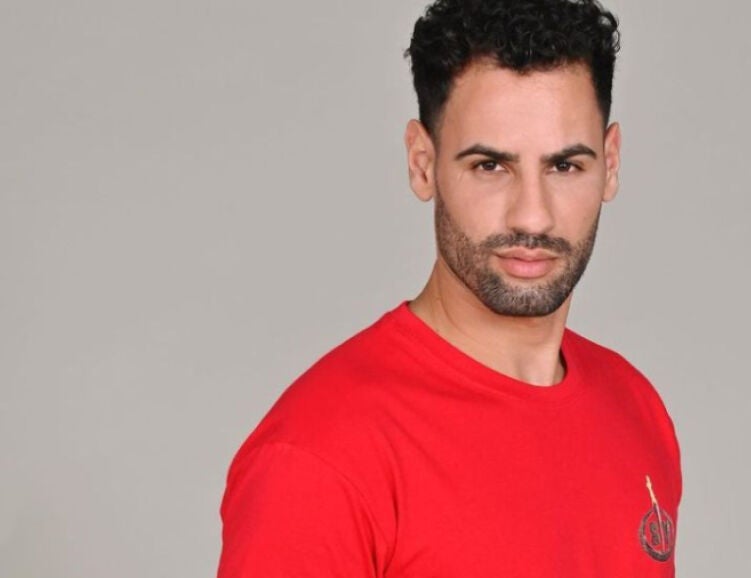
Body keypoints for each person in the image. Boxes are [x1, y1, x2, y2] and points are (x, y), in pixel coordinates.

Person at [216, 0, 681, 576]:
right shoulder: (320, 457)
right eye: (490, 166)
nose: (532, 216)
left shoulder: (635, 409)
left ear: (610, 163)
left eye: (564, 166)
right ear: (422, 163)